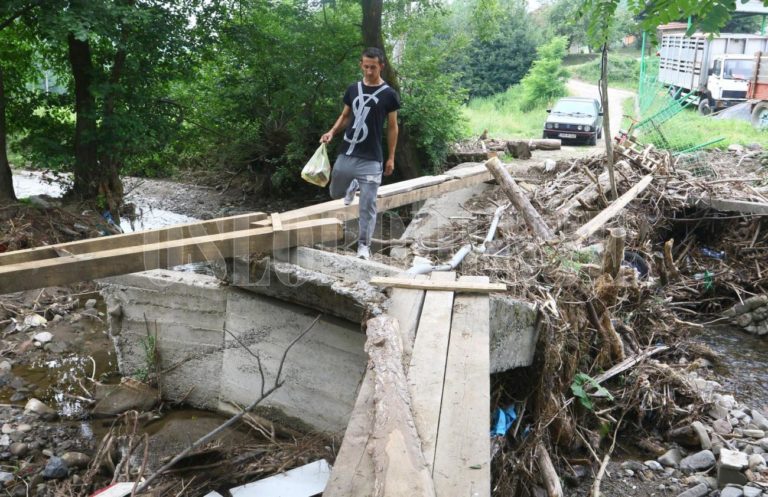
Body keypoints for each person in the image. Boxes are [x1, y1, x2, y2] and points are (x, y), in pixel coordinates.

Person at [320, 47, 400, 260]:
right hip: (348, 152)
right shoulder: (353, 89)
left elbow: (392, 127)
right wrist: (332, 132)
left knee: (368, 205)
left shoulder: (389, 95)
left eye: (373, 67)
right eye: (365, 66)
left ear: (381, 66)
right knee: (335, 193)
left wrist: (391, 157)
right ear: (361, 65)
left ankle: (364, 247)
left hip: (372, 158)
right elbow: (345, 115)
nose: (369, 71)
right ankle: (352, 186)